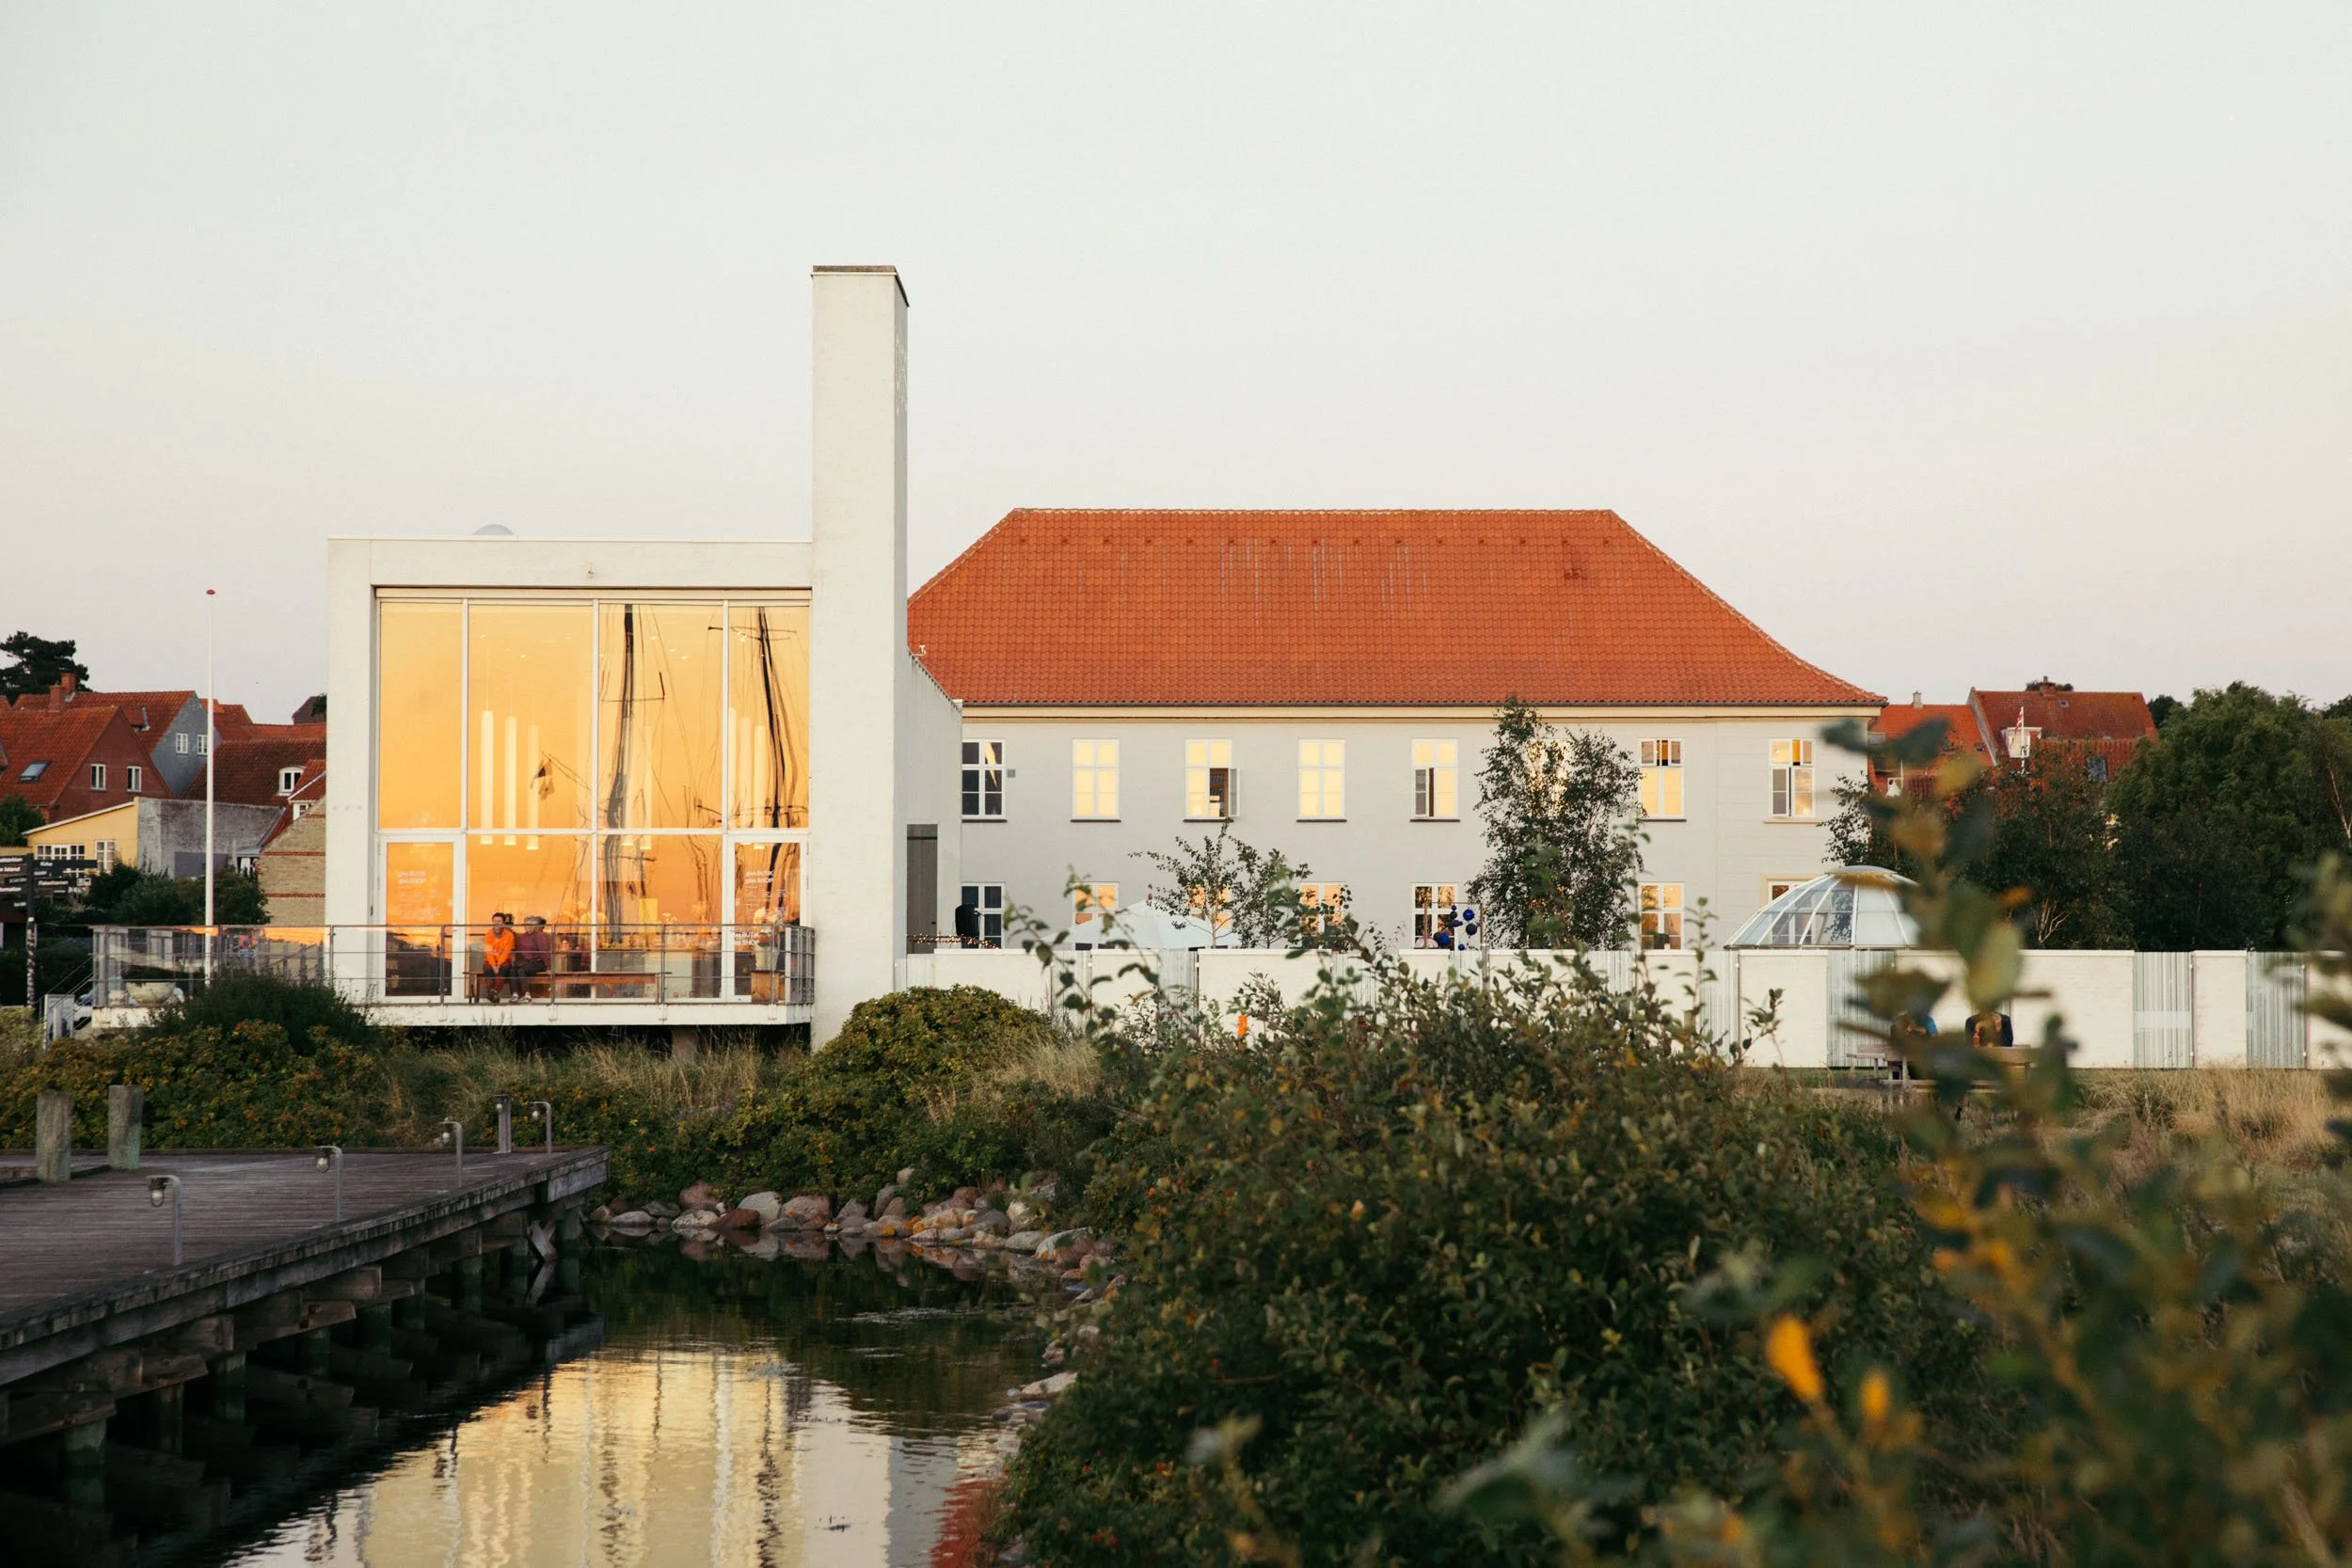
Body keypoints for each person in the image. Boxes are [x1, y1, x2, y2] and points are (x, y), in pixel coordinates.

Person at [481, 912, 516, 1001]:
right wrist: (493, 965)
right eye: (495, 921)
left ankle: (492, 993)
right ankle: (493, 994)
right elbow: (489, 953)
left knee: (503, 970)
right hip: (490, 960)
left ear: (503, 923)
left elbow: (506, 952)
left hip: (504, 960)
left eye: (499, 921)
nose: (497, 923)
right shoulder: (488, 935)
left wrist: (499, 965)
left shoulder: (509, 935)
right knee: (488, 970)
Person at [515, 915, 551, 998]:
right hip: (526, 962)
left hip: (538, 963)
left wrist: (548, 967)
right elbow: (519, 952)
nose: (527, 926)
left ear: (534, 926)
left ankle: (527, 994)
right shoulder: (522, 937)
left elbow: (544, 952)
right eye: (525, 924)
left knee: (521, 971)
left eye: (530, 924)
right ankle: (515, 995)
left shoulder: (539, 936)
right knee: (513, 970)